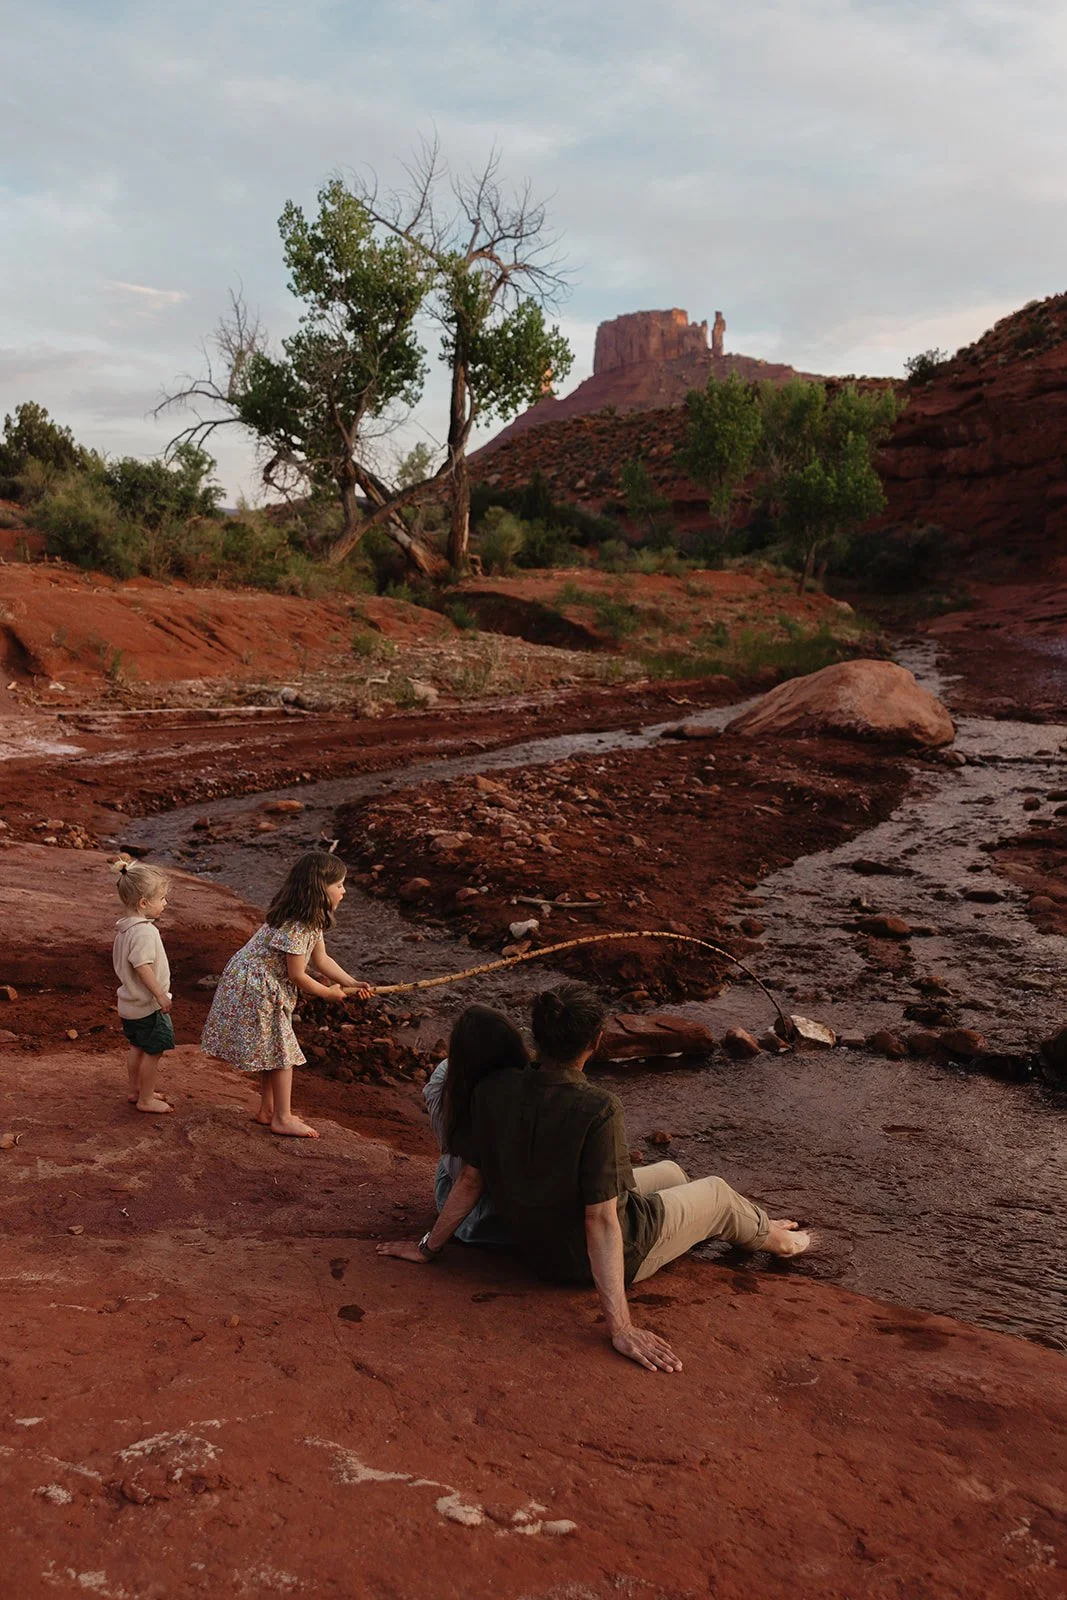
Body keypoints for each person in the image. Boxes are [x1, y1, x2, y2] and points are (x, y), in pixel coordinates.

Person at [379, 981, 811, 1372]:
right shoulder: (598, 1108)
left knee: (672, 1171)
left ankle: (755, 1224)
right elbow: (601, 1220)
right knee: (716, 1193)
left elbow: (470, 1181)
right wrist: (620, 1328)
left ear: (537, 1037)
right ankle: (784, 1242)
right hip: (586, 1258)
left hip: (537, 1245)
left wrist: (429, 1248)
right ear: (596, 1042)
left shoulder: (494, 1091)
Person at [201, 851, 371, 1138]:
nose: (344, 891)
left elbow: (322, 960)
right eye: (339, 885)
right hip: (255, 988)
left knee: (272, 1048)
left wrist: (353, 981)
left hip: (260, 983)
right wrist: (327, 994)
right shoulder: (297, 925)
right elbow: (298, 974)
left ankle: (267, 1110)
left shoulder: (311, 919)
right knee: (282, 1053)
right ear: (320, 888)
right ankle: (283, 1116)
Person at [423, 1005, 529, 1247]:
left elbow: (467, 1173)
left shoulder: (445, 1082)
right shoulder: (532, 1087)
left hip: (472, 1222)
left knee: (450, 1163)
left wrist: (427, 1249)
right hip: (522, 1217)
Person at [112, 855, 175, 1115]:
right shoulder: (145, 932)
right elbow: (142, 966)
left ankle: (135, 1089)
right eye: (162, 899)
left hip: (129, 1004)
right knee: (154, 1050)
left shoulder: (124, 929)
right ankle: (146, 1099)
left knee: (137, 1047)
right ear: (143, 903)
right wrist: (160, 995)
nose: (165, 903)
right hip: (147, 1006)